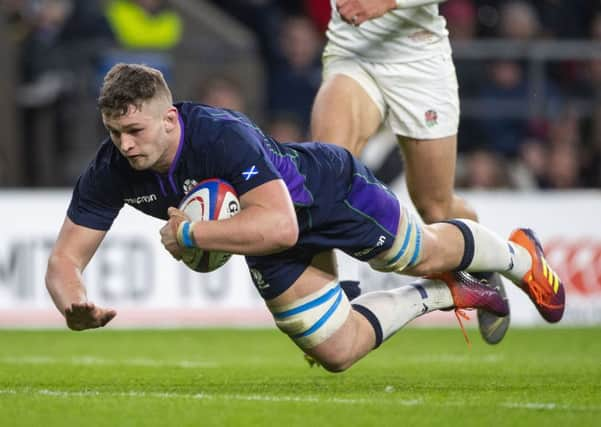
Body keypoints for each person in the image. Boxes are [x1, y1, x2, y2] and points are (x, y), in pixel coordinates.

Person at [45, 64, 565, 373]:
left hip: (326, 193)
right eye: (114, 132)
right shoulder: (112, 166)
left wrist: (192, 231)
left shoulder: (220, 135)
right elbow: (65, 258)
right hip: (265, 233)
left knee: (420, 252)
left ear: (169, 119)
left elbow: (282, 226)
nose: (124, 144)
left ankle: (523, 257)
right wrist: (72, 303)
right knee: (335, 353)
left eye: (134, 130)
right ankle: (453, 293)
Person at [309, 0, 509, 343]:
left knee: (435, 206)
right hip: (353, 52)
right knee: (325, 177)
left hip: (417, 58)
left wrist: (385, 2)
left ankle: (486, 262)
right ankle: (329, 311)